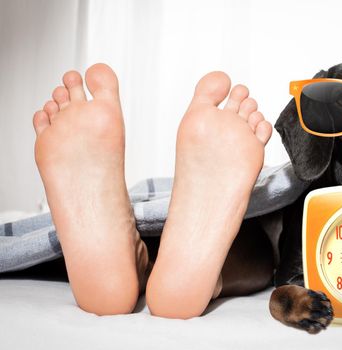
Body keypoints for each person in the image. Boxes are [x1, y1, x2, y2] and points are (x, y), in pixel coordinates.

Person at [32, 63, 272, 318]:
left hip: (154, 224)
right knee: (263, 250)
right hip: (200, 230)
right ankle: (206, 280)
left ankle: (142, 265)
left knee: (259, 239)